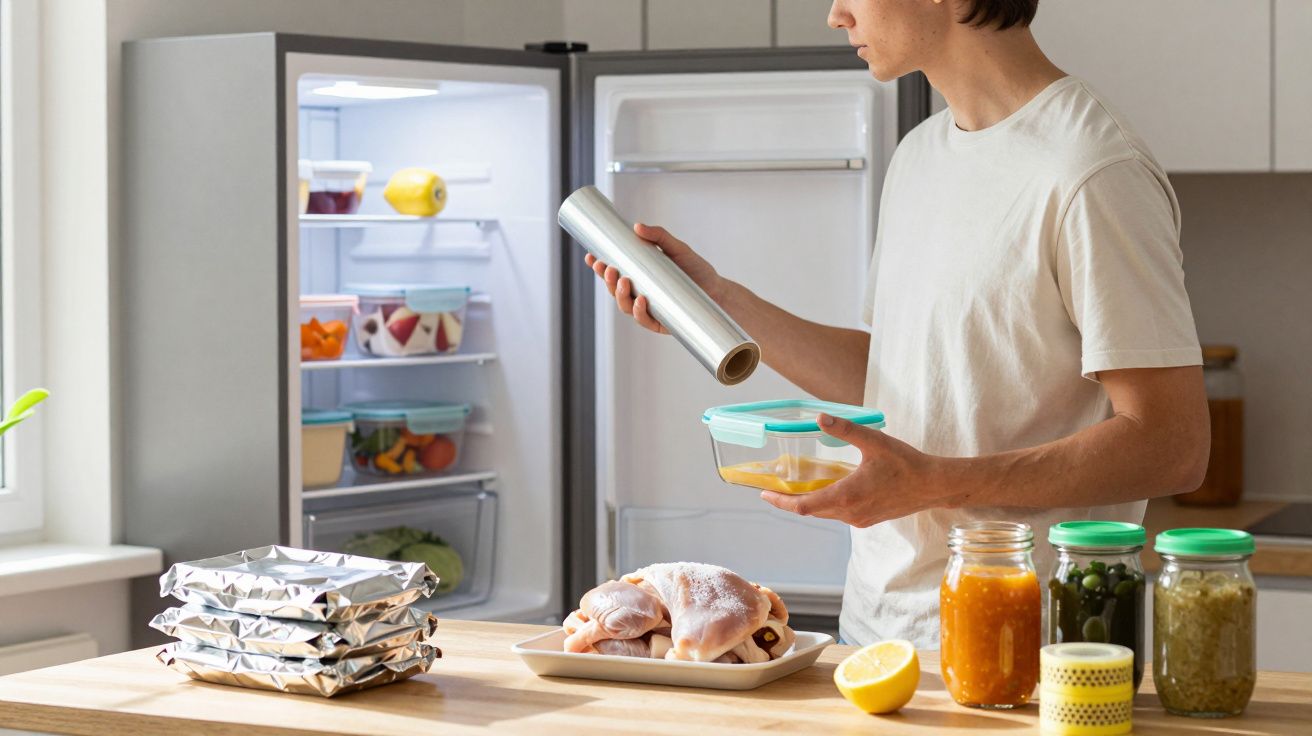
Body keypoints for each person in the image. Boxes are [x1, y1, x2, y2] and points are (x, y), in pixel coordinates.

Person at [584, 0, 1209, 649]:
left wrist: (934, 483)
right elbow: (898, 376)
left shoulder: (1092, 170)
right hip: (875, 627)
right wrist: (719, 300)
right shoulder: (921, 154)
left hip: (1030, 639)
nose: (836, 15)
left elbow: (1172, 444)